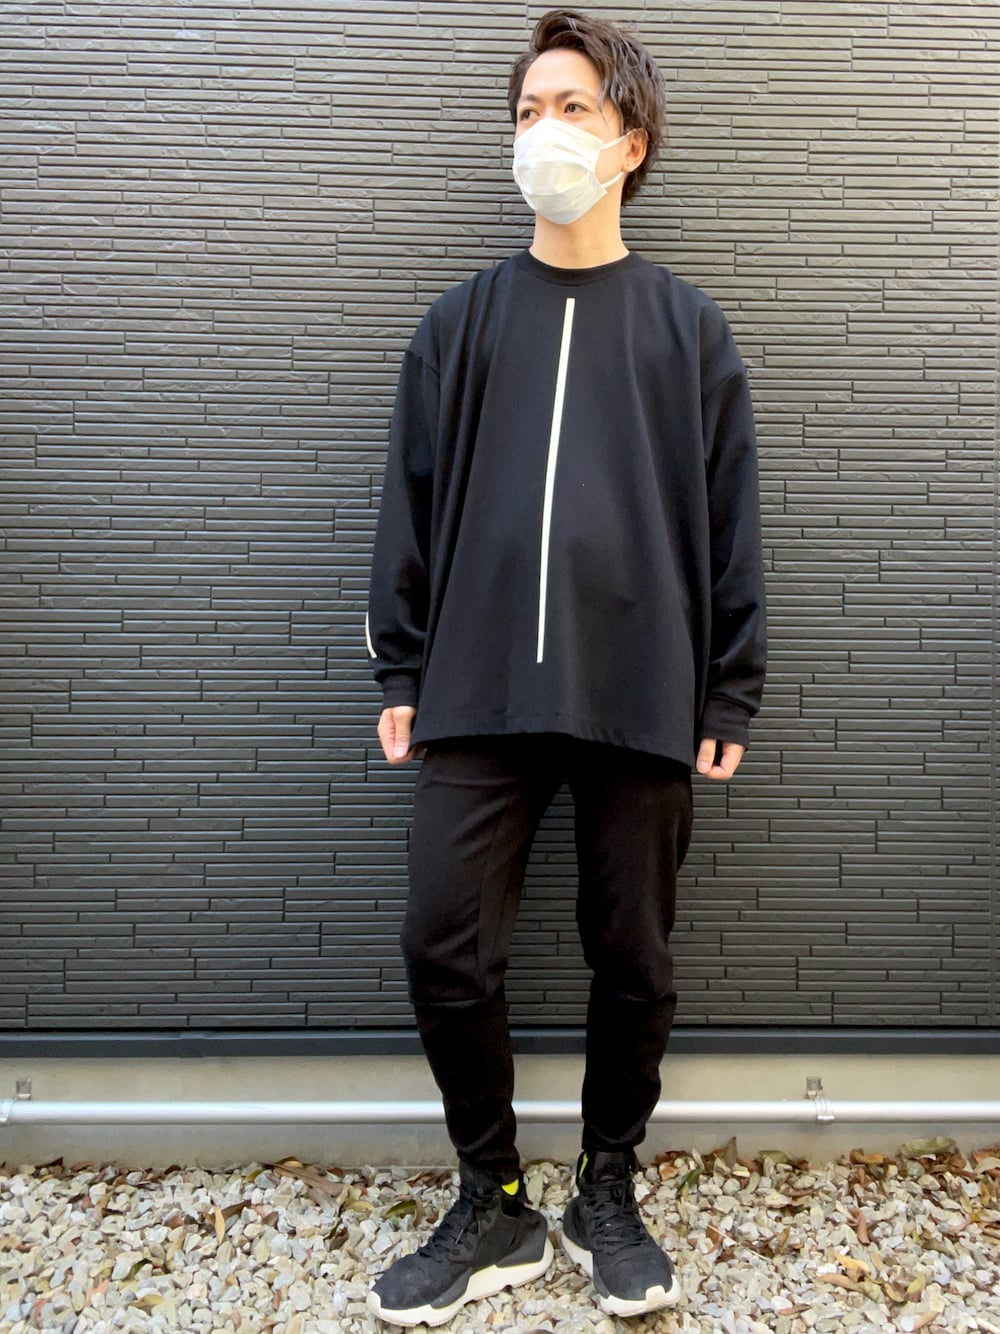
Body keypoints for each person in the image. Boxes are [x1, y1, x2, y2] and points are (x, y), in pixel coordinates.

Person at [363, 7, 766, 1326]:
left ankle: (608, 1185)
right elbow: (409, 504)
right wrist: (400, 668)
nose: (544, 130)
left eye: (572, 107)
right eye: (528, 109)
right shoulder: (462, 323)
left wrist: (730, 683)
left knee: (633, 955)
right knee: (442, 939)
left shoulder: (688, 330)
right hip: (476, 686)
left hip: (642, 685)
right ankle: (494, 1202)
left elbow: (731, 517)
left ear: (628, 142)